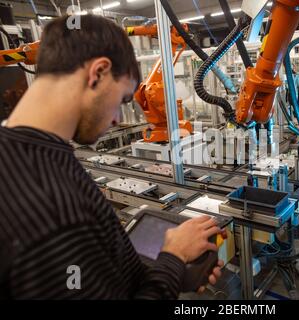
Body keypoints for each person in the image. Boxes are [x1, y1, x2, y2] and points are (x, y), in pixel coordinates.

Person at [0, 14, 223, 299]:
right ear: (99, 73)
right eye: (123, 100)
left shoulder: (26, 156)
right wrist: (173, 258)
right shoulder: (52, 206)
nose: (119, 118)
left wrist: (173, 274)